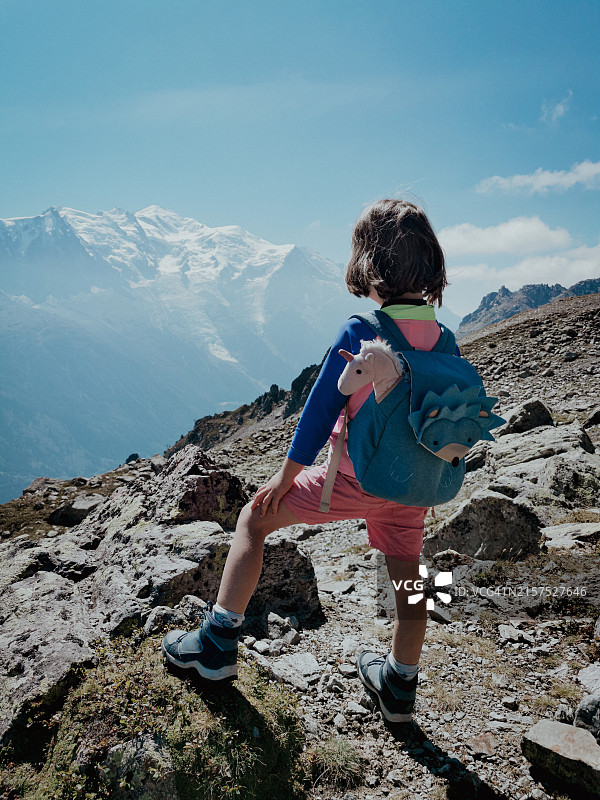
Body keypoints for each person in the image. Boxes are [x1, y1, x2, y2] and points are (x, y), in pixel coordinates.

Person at [163, 198, 449, 723]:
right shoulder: (446, 339)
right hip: (414, 486)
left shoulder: (363, 331)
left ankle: (216, 643)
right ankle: (401, 686)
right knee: (412, 574)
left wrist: (283, 479)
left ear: (370, 265)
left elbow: (317, 417)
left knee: (254, 517)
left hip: (356, 479)